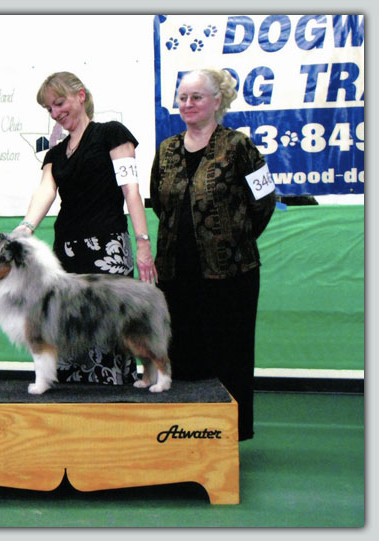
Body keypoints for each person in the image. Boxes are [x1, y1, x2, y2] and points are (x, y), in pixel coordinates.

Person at [150, 68, 276, 441]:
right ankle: (184, 433)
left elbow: (265, 200)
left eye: (196, 97)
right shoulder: (167, 149)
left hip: (232, 274)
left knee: (229, 354)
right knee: (183, 352)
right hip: (175, 272)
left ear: (216, 101)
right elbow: (160, 202)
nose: (187, 104)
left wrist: (233, 240)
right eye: (183, 97)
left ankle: (228, 436)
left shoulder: (239, 146)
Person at [14, 71, 156, 385]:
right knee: (67, 326)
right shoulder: (54, 153)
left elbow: (131, 189)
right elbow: (45, 192)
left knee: (111, 326)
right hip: (66, 253)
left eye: (59, 102)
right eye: (49, 108)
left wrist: (143, 242)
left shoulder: (112, 133)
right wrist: (25, 227)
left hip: (108, 250)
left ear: (80, 95)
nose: (55, 113)